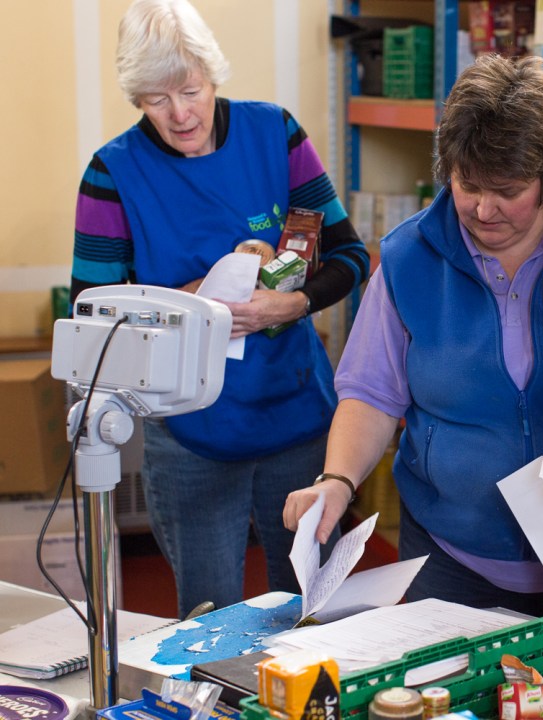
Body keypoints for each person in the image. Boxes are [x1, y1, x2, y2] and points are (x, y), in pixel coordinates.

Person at [282, 54, 543, 617]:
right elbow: (372, 393)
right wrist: (337, 481)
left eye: (508, 189)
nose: (482, 208)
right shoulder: (409, 256)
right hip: (451, 559)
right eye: (467, 184)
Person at [70, 0, 369, 618]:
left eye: (191, 90)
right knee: (209, 626)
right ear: (135, 99)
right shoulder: (112, 172)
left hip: (297, 422)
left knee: (314, 614)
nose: (180, 114)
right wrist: (189, 304)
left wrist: (289, 303)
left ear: (213, 75)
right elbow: (92, 320)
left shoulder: (274, 133)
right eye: (156, 99)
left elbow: (350, 256)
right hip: (190, 437)